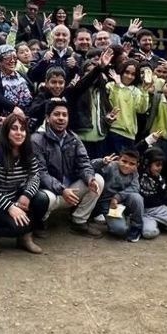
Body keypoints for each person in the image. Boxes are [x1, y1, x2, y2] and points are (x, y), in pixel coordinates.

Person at [0, 114, 49, 254]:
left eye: (22, 129)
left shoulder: (27, 150)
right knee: (16, 226)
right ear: (6, 131)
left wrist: (26, 195)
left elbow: (35, 175)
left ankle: (25, 237)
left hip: (13, 196)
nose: (19, 133)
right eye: (14, 129)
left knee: (42, 200)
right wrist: (10, 207)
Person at [34, 98, 104, 237]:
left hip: (69, 191)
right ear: (47, 118)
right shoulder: (36, 140)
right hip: (50, 192)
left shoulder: (74, 138)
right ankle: (39, 222)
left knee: (98, 180)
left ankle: (79, 221)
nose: (61, 118)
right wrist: (62, 189)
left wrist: (89, 178)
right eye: (56, 114)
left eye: (64, 115)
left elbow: (84, 162)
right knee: (44, 198)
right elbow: (41, 173)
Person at [92, 151, 146, 242]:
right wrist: (102, 162)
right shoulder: (110, 166)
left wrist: (117, 197)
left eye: (132, 163)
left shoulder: (134, 172)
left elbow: (135, 187)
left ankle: (136, 227)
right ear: (118, 159)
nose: (127, 166)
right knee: (120, 230)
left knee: (137, 198)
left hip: (123, 201)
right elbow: (89, 166)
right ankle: (116, 221)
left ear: (137, 165)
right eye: (124, 161)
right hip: (108, 204)